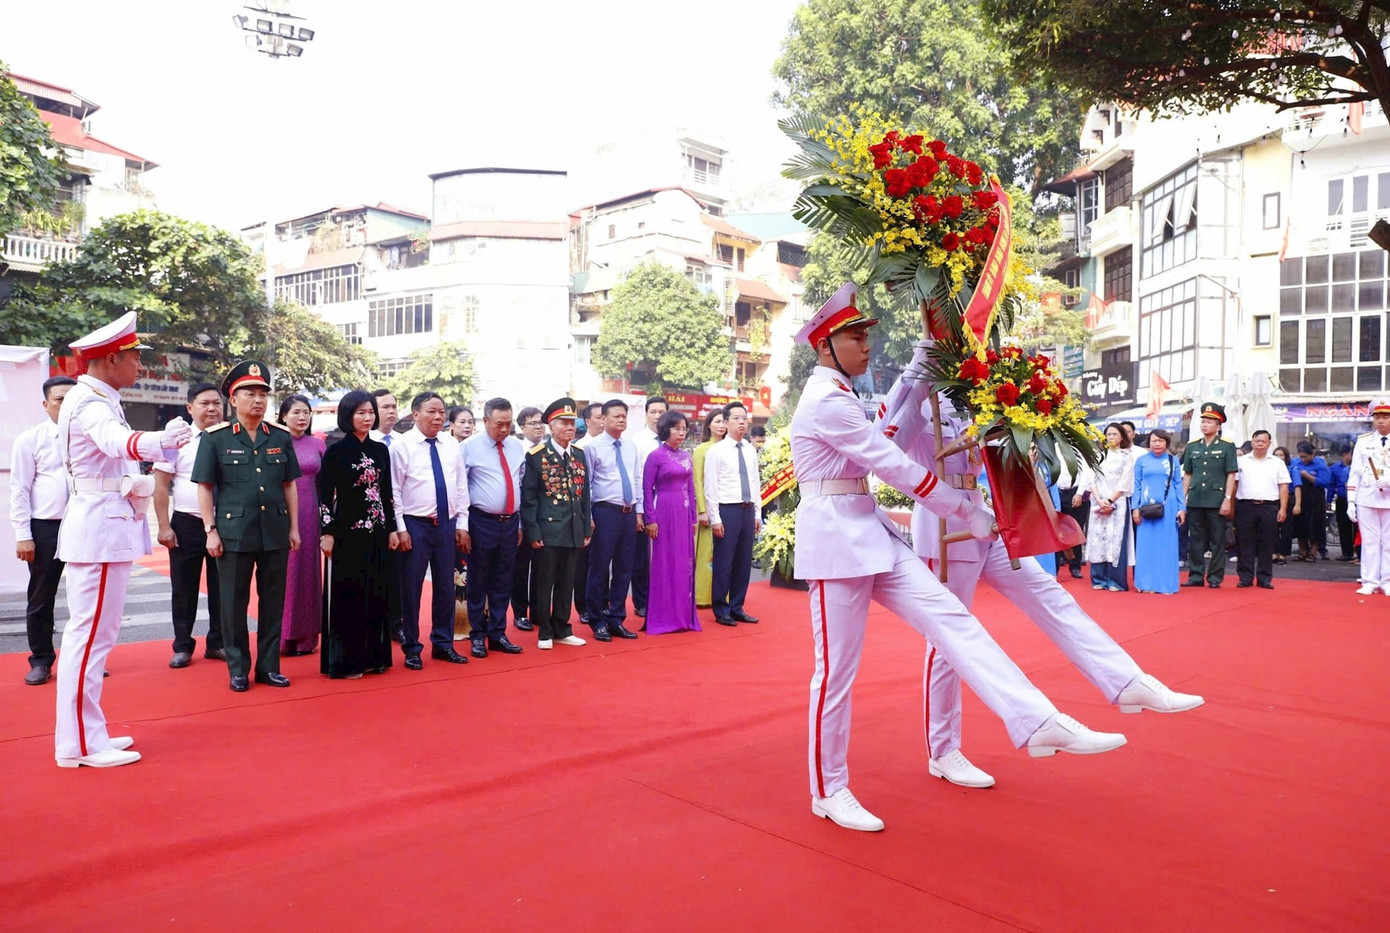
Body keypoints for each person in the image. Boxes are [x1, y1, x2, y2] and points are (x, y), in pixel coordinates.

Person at [792, 282, 1124, 832]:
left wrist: (916, 371)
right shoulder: (825, 399)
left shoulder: (842, 395)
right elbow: (888, 460)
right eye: (854, 338)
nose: (865, 345)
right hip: (835, 545)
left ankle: (1036, 719)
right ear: (824, 346)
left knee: (955, 621)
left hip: (867, 531)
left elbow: (883, 432)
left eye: (866, 336)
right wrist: (963, 510)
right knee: (836, 675)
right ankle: (829, 789)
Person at [879, 334, 1201, 790]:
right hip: (946, 530)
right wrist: (917, 369)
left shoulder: (974, 396)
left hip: (988, 520)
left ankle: (1128, 682)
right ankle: (944, 749)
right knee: (948, 641)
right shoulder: (920, 395)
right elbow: (887, 440)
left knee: (1050, 595)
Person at [54, 311, 192, 768]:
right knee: (89, 636)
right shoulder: (91, 403)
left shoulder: (97, 396)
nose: (139, 365)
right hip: (96, 528)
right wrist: (163, 440)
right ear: (112, 358)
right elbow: (119, 444)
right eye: (134, 356)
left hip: (104, 525)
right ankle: (78, 745)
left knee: (97, 635)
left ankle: (90, 734)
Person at [193, 360, 301, 693]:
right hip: (233, 533)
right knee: (233, 603)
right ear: (233, 399)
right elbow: (205, 486)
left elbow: (289, 485)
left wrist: (294, 528)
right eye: (249, 393)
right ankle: (238, 668)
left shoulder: (279, 437)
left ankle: (269, 667)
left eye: (262, 394)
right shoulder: (216, 438)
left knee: (272, 602)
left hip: (274, 531)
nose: (257, 400)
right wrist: (210, 530)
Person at [318, 391, 399, 678]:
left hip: (377, 531)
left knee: (377, 592)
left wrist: (392, 529)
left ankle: (374, 658)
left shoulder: (380, 450)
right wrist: (326, 532)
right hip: (346, 532)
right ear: (347, 415)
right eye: (361, 413)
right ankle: (346, 661)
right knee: (348, 595)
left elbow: (386, 493)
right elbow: (324, 495)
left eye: (370, 413)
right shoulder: (336, 451)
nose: (367, 418)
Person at [391, 391, 471, 668]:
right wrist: (400, 528)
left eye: (442, 412)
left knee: (446, 587)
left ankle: (443, 643)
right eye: (431, 411)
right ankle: (412, 646)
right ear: (415, 414)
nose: (438, 417)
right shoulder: (402, 445)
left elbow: (460, 486)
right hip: (415, 523)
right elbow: (394, 490)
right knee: (411, 588)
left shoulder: (451, 444)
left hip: (446, 524)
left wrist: (462, 523)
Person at [154, 381, 228, 669]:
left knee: (222, 587)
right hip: (186, 523)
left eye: (217, 403)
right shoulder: (177, 440)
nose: (212, 408)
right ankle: (182, 645)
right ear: (190, 408)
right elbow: (160, 486)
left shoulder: (230, 437)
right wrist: (163, 526)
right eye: (204, 403)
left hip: (224, 523)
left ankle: (217, 642)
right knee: (183, 588)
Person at [10, 375, 75, 686]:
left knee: (85, 597)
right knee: (41, 596)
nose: (66, 404)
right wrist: (24, 533)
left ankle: (84, 659)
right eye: (60, 399)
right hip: (46, 527)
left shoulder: (90, 436)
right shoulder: (30, 440)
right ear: (46, 404)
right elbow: (19, 489)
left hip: (82, 524)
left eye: (72, 398)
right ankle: (41, 659)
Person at [520, 397, 591, 649]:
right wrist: (533, 531)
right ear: (551, 426)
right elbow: (529, 498)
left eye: (572, 422)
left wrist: (586, 525)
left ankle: (562, 627)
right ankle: (545, 632)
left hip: (573, 528)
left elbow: (584, 494)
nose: (569, 427)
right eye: (563, 422)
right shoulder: (537, 456)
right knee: (545, 581)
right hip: (548, 529)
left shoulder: (579, 454)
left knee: (567, 581)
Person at [460, 397, 526, 658]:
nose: (505, 429)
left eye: (509, 424)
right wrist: (462, 526)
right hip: (481, 520)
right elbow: (461, 488)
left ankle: (498, 632)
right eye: (499, 423)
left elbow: (518, 483)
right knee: (478, 578)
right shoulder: (468, 447)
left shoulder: (516, 447)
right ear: (485, 420)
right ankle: (477, 635)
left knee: (503, 579)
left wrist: (518, 520)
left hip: (509, 522)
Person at [584, 399, 643, 642]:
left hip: (628, 514)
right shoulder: (592, 447)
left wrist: (639, 511)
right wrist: (588, 515)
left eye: (624, 416)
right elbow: (586, 484)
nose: (621, 420)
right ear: (604, 419)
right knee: (599, 568)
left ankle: (617, 618)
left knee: (624, 569)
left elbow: (637, 478)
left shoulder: (631, 447)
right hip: (604, 512)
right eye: (616, 416)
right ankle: (597, 620)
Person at [642, 410, 700, 635]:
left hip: (684, 514)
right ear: (666, 429)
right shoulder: (656, 456)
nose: (681, 433)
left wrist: (693, 517)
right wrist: (650, 519)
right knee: (664, 562)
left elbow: (691, 488)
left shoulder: (686, 456)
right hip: (664, 512)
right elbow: (647, 489)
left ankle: (683, 615)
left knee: (684, 563)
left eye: (684, 429)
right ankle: (664, 616)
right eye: (676, 428)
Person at [277, 394, 326, 656]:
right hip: (281, 514)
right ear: (284, 415)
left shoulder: (317, 445)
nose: (302, 417)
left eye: (306, 412)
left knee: (308, 573)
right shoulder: (274, 442)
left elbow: (326, 484)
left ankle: (307, 637)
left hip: (310, 515)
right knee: (285, 574)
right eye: (296, 412)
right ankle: (283, 636)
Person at [705, 402, 761, 625]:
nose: (741, 422)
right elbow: (711, 487)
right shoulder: (716, 451)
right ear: (725, 423)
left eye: (744, 418)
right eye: (736, 418)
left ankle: (737, 606)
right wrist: (715, 518)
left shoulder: (749, 449)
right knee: (724, 561)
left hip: (747, 509)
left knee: (743, 561)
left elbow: (755, 482)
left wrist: (757, 513)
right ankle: (721, 608)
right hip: (727, 509)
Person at [1182, 403, 1238, 588]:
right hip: (1196, 498)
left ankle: (1215, 577)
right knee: (1196, 539)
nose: (1204, 425)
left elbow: (1231, 474)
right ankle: (1196, 575)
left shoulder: (1227, 446)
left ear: (1218, 425)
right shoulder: (1192, 446)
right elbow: (1188, 474)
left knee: (1217, 540)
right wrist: (1183, 498)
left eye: (1209, 422)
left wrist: (1228, 499)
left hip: (1216, 499)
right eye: (1203, 421)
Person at [1131, 428, 1185, 594]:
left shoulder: (1172, 460)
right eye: (1154, 440)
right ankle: (1145, 584)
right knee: (1145, 547)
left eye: (1161, 441)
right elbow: (1137, 485)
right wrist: (1135, 508)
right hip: (1145, 507)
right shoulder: (1141, 461)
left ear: (1166, 443)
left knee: (1167, 546)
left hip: (1169, 507)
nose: (1157, 444)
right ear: (1149, 442)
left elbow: (1178, 485)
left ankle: (1166, 584)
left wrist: (1182, 508)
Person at [1233, 429, 1290, 589]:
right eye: (1257, 440)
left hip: (1269, 506)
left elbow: (1283, 486)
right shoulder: (1241, 461)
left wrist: (1283, 509)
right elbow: (1234, 484)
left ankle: (1264, 578)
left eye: (1263, 441)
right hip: (1245, 506)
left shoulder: (1277, 462)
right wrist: (1230, 505)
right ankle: (1245, 577)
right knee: (1244, 542)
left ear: (1269, 443)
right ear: (1252, 442)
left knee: (1267, 542)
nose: (1259, 444)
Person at [509, 406, 546, 633]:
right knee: (521, 568)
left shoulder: (548, 450)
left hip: (545, 517)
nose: (539, 426)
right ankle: (520, 612)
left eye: (541, 422)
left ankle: (539, 611)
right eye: (533, 423)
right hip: (523, 517)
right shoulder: (518, 450)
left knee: (543, 568)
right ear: (522, 427)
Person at [1348, 397, 1390, 595]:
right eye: (1377, 417)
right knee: (1370, 542)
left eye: (1386, 417)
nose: (1381, 421)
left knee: (1389, 543)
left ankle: (1387, 580)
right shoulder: (1363, 441)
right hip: (1367, 496)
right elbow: (1355, 472)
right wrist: (1350, 501)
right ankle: (1370, 580)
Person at [1084, 424, 1134, 592]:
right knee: (1098, 539)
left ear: (1122, 437)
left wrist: (1110, 501)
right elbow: (1092, 480)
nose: (1111, 437)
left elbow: (1125, 481)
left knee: (1115, 540)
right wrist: (1099, 500)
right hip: (1097, 503)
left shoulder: (1126, 456)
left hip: (1117, 503)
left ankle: (1116, 580)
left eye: (1115, 434)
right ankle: (1098, 578)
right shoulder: (1098, 456)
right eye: (1108, 434)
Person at [631, 396, 667, 619]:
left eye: (661, 412)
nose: (657, 416)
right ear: (646, 414)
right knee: (642, 557)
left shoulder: (670, 440)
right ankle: (641, 601)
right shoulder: (638, 441)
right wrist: (640, 510)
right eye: (653, 412)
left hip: (666, 502)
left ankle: (662, 597)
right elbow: (637, 477)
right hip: (646, 501)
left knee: (664, 554)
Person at [571, 402, 604, 624]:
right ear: (588, 420)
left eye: (605, 417)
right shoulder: (580, 447)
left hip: (607, 511)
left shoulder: (613, 444)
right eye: (599, 417)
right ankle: (582, 606)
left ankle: (603, 601)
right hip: (585, 511)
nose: (603, 421)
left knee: (604, 560)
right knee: (584, 562)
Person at [692, 408, 727, 608]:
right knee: (707, 554)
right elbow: (697, 480)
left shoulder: (732, 448)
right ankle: (703, 596)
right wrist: (702, 510)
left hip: (728, 506)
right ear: (709, 425)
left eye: (724, 422)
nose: (721, 426)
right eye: (717, 422)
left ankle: (723, 594)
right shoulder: (702, 450)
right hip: (707, 508)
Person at [1293, 442, 1331, 561]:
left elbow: (1325, 482)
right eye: (1301, 457)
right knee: (1300, 524)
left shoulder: (1320, 464)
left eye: (1305, 457)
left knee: (1316, 525)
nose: (1303, 459)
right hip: (1300, 495)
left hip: (1316, 497)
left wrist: (1307, 476)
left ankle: (1313, 552)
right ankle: (1302, 550)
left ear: (1312, 455)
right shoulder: (1295, 462)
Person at [1273, 445, 1302, 565]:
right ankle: (1273, 552)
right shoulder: (1269, 469)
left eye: (1281, 455)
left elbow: (1297, 487)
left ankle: (1283, 554)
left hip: (1288, 499)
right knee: (1272, 528)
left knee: (1286, 528)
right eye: (1276, 455)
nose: (1279, 457)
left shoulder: (1292, 469)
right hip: (1273, 499)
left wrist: (1298, 504)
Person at [1330, 445, 1358, 561]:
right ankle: (1347, 552)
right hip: (1342, 499)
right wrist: (1328, 500)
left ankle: (1359, 553)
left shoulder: (1358, 467)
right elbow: (1331, 485)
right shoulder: (1336, 468)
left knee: (1358, 528)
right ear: (1345, 454)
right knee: (1343, 526)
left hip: (1358, 500)